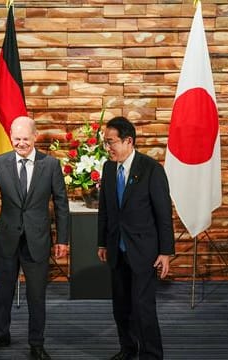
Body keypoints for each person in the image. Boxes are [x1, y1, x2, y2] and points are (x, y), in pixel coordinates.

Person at [0, 116, 69, 360]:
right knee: (3, 292)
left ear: (35, 137)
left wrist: (63, 240)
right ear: (11, 137)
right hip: (7, 239)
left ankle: (36, 343)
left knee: (36, 295)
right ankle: (1, 334)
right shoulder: (1, 163)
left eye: (25, 139)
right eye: (16, 139)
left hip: (38, 240)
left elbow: (61, 204)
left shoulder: (51, 165)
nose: (20, 143)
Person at [97, 116, 175, 360]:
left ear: (128, 141)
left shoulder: (151, 169)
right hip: (116, 250)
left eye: (111, 142)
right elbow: (105, 210)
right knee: (121, 307)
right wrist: (102, 242)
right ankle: (128, 349)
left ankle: (151, 355)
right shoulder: (109, 168)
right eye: (106, 143)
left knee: (143, 309)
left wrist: (166, 252)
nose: (107, 148)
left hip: (143, 252)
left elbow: (164, 214)